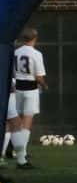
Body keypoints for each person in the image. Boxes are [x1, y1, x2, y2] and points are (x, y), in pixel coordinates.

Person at [14, 26, 48, 169]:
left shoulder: (15, 52)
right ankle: (21, 157)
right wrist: (45, 85)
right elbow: (39, 77)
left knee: (17, 122)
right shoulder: (36, 54)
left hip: (17, 88)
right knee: (27, 122)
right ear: (35, 38)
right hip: (30, 89)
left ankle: (21, 153)